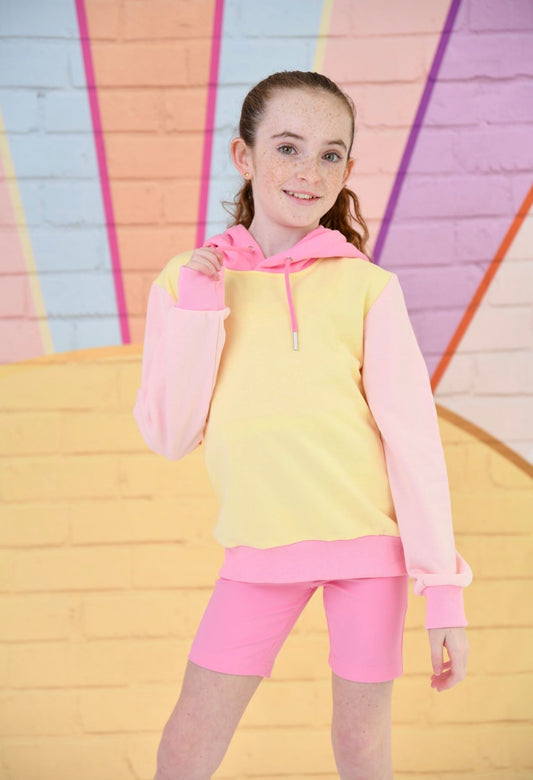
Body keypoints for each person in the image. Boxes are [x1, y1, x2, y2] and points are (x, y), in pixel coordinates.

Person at [133, 70, 473, 780]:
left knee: (362, 746)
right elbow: (169, 435)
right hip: (258, 549)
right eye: (287, 147)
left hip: (368, 553)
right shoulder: (187, 282)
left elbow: (413, 444)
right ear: (244, 155)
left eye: (329, 154)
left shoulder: (368, 288)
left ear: (346, 171)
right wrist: (200, 310)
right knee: (187, 744)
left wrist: (442, 592)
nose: (307, 172)